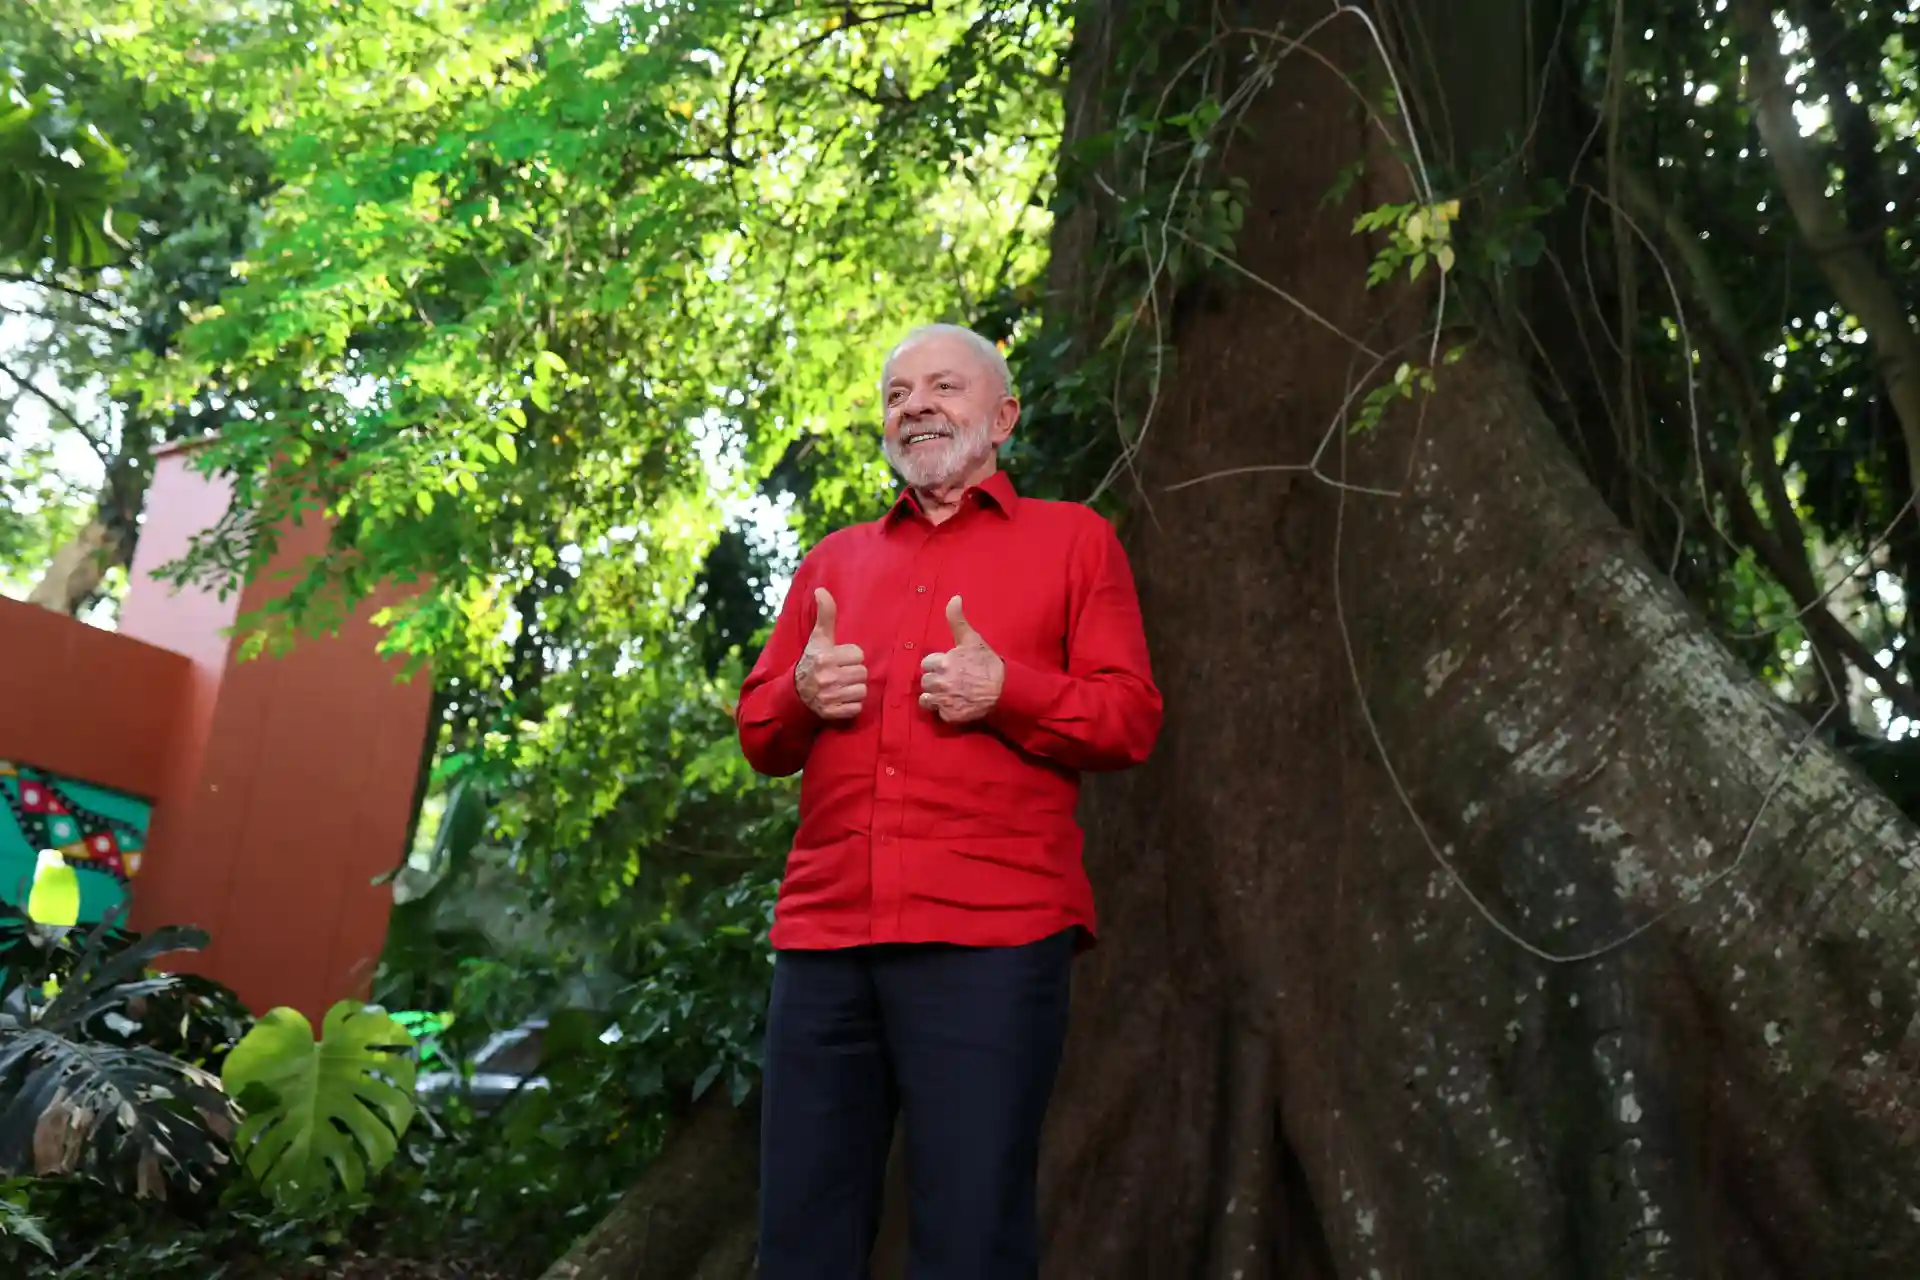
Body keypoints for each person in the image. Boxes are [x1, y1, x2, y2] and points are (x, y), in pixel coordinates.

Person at [735, 322, 1163, 1280]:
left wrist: (1005, 689)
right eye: (896, 394)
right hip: (827, 940)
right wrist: (803, 697)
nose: (915, 406)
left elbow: (1129, 720)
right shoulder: (834, 562)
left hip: (993, 942)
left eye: (943, 387)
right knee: (798, 1239)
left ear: (1003, 416)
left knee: (971, 1238)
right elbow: (761, 734)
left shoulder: (1075, 543)